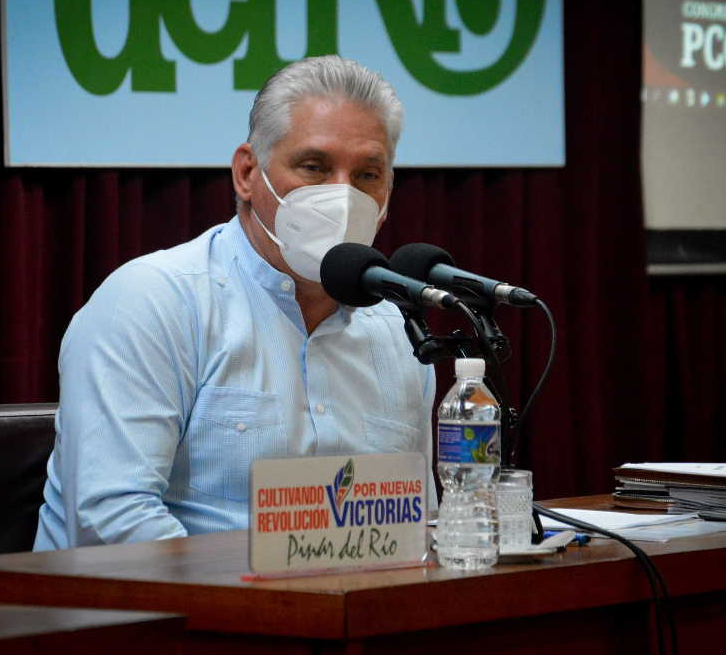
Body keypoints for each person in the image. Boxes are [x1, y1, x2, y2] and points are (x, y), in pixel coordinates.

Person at [34, 55, 436, 550]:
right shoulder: (154, 300)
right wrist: (264, 608)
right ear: (247, 173)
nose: (342, 195)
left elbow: (417, 525)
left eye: (368, 175)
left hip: (341, 611)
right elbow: (110, 519)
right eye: (314, 167)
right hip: (163, 615)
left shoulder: (398, 331)